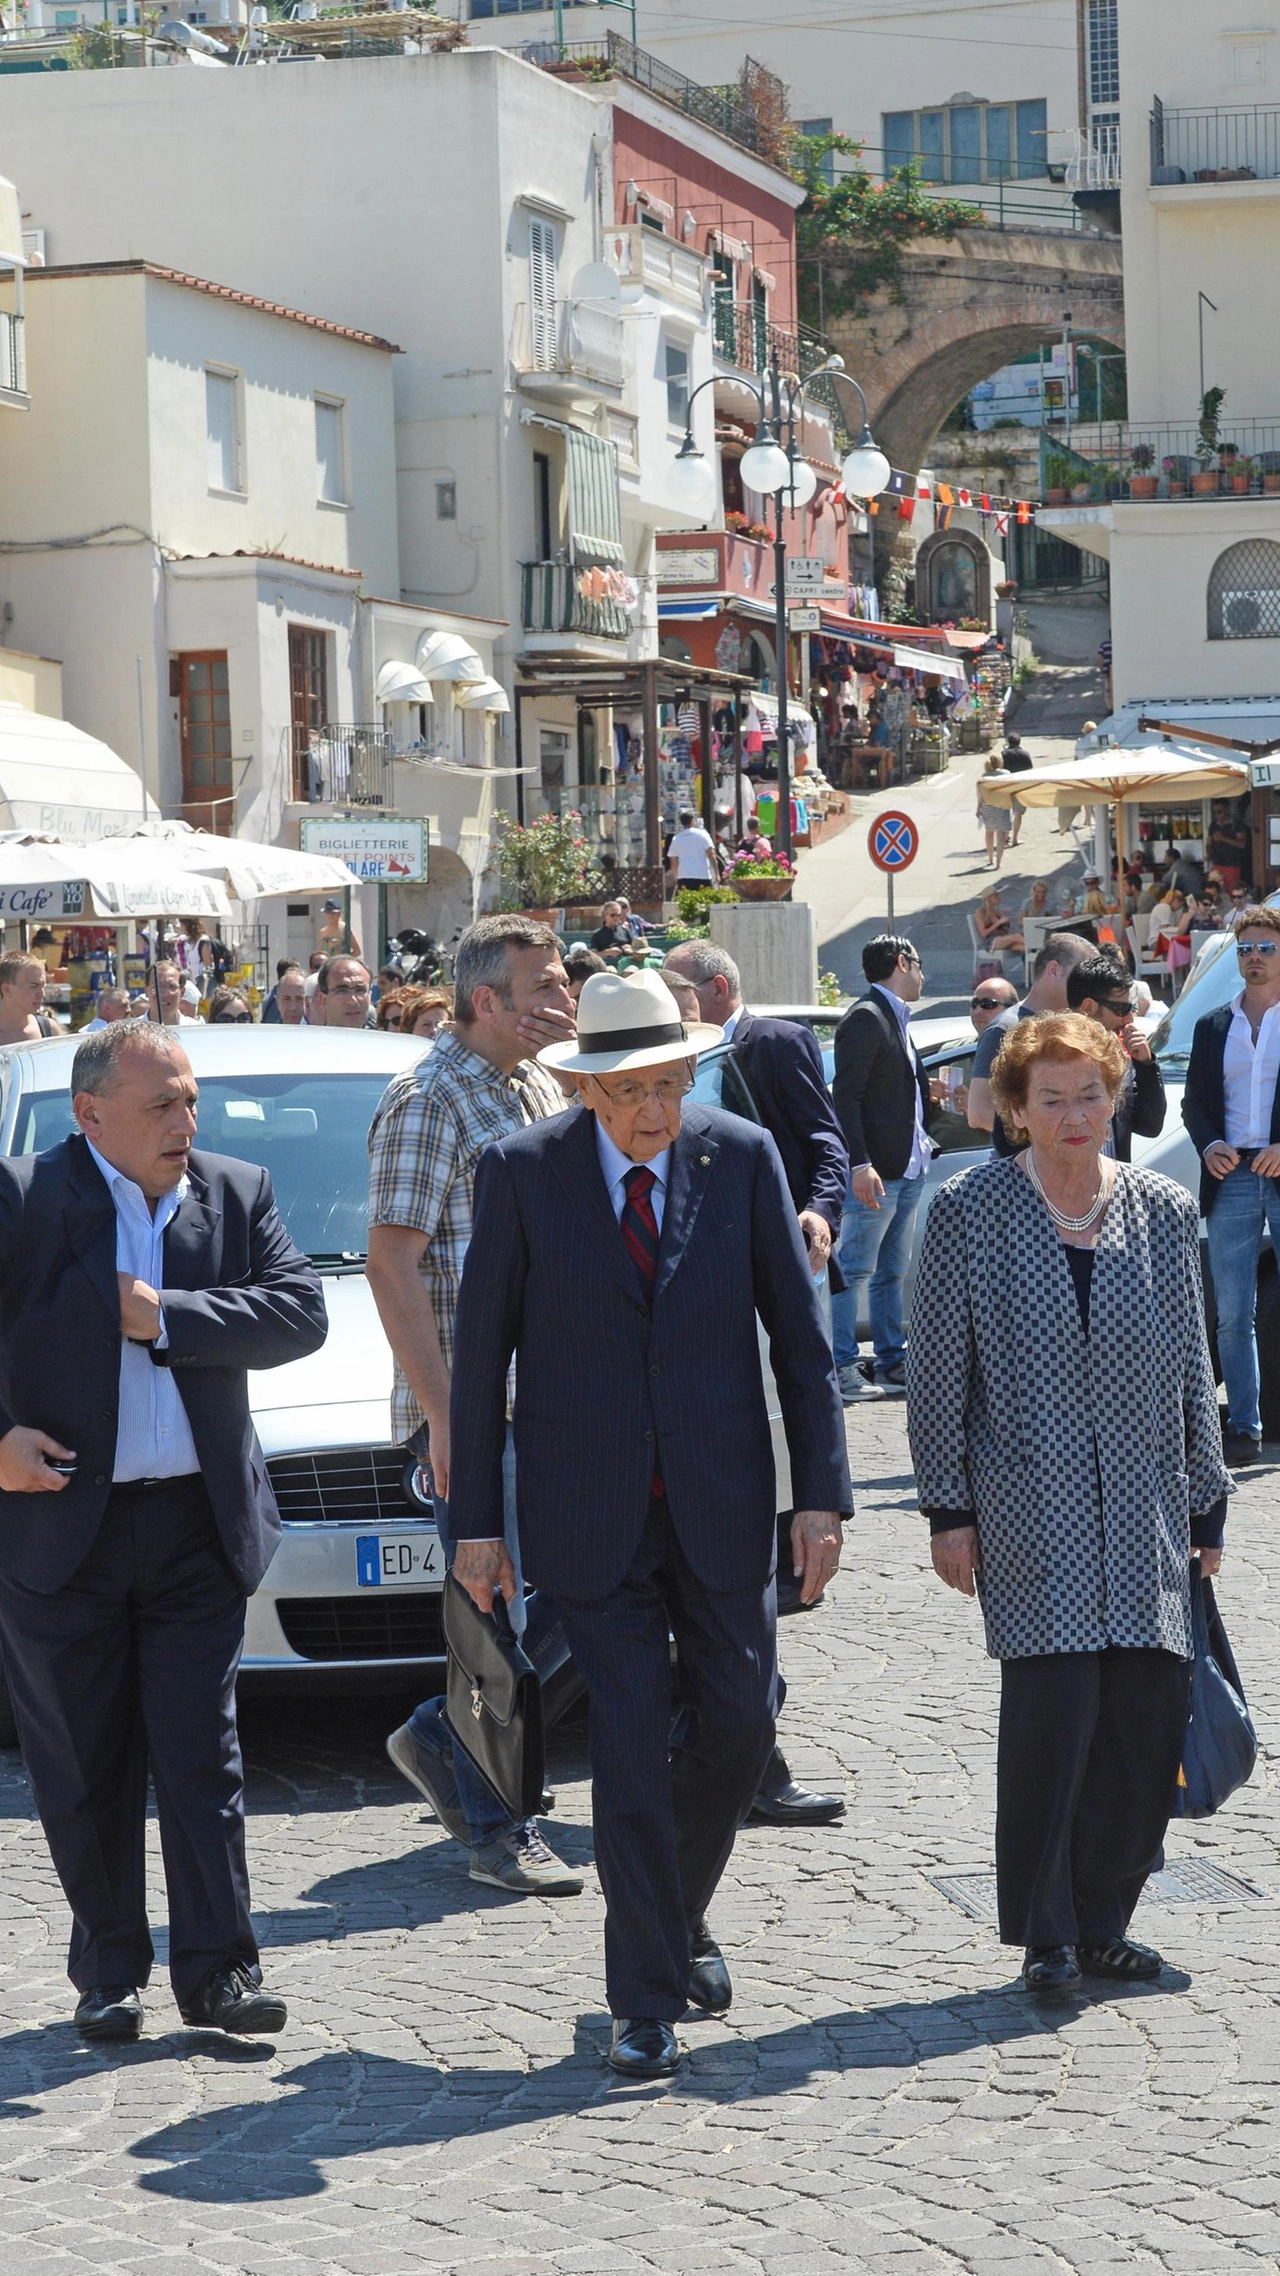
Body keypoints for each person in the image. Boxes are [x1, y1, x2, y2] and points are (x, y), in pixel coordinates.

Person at [447, 969, 851, 2078]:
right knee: (626, 1742)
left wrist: (819, 1491)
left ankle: (668, 1909)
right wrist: (474, 1523)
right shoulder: (520, 1174)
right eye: (631, 1091)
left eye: (671, 1083)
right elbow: (479, 1363)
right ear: (581, 1087)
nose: (655, 1111)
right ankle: (641, 1999)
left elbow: (800, 1341)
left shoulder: (742, 1155)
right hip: (588, 1517)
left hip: (722, 1505)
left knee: (737, 1721)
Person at [0, 1019, 327, 2040]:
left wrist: (167, 1314)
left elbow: (299, 1313)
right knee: (83, 1763)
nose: (186, 1120)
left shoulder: (235, 1191)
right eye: (161, 1104)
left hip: (195, 1522)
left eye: (190, 1098)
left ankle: (220, 1972)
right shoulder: (20, 1197)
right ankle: (108, 1971)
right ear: (90, 1113)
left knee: (202, 1755)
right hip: (61, 1529)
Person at [909, 1012, 1229, 1995]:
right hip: (1025, 1506)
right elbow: (935, 1375)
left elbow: (1191, 1362)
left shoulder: (1163, 1211)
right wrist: (944, 1508)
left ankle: (1104, 1922)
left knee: (1141, 1721)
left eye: (1088, 1092)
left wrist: (1206, 1503)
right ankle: (1045, 1933)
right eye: (1048, 1098)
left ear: (1114, 1095)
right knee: (1054, 1720)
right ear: (1012, 1109)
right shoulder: (969, 1210)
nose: (1072, 1113)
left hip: (1146, 1506)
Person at [366, 914, 583, 1895]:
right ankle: (498, 1825)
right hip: (473, 1407)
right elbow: (390, 1261)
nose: (561, 1000)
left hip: (549, 1402)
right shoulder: (426, 1098)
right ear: (483, 997)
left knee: (586, 1591)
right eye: (541, 987)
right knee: (488, 1612)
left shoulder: (535, 1083)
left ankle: (436, 1734)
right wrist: (444, 1413)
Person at [1183, 904, 1280, 1466]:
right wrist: (1209, 1144)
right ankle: (1244, 1427)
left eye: (1265, 948)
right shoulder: (1213, 1024)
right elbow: (1196, 1105)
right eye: (1245, 950)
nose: (1254, 959)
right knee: (1231, 1313)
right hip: (1232, 1176)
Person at [830, 936, 932, 1403]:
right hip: (878, 1172)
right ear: (900, 963)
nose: (922, 975)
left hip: (907, 1167)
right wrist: (859, 1163)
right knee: (853, 1269)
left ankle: (892, 1360)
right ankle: (843, 1366)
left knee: (893, 1270)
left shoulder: (893, 1015)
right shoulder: (866, 1018)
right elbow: (845, 1097)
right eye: (918, 965)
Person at [966, 932, 1095, 1151]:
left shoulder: (1072, 1025)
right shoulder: (1004, 1029)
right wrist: (1056, 1131)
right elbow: (979, 1112)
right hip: (1021, 1172)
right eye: (1080, 976)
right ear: (1053, 970)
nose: (1088, 987)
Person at [1065, 955, 1166, 1160]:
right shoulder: (1044, 1059)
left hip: (1111, 1185)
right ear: (1088, 1008)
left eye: (1132, 1008)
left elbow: (1150, 1125)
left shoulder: (1120, 1061)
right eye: (1121, 1009)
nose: (1129, 1019)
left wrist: (1145, 1064)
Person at [0, 950, 60, 1045]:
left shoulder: (49, 1030)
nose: (42, 994)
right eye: (33, 986)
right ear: (7, 990)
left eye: (42, 986)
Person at [666, 807, 719, 888]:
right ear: (692, 821)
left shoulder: (677, 838)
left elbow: (673, 861)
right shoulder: (703, 834)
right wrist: (716, 873)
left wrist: (676, 877)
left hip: (684, 876)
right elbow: (711, 854)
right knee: (704, 899)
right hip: (702, 875)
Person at [316, 956, 373, 1029]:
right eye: (342, 991)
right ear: (323, 1000)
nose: (353, 1001)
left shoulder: (383, 1039)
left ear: (370, 996)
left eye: (360, 990)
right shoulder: (308, 1040)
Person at [976, 755, 1013, 868]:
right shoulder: (1006, 774)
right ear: (1000, 762)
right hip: (1003, 805)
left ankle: (990, 858)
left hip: (988, 806)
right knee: (1001, 834)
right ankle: (998, 862)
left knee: (989, 832)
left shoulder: (984, 776)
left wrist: (978, 808)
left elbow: (980, 795)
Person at [145, 960, 199, 1030]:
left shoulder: (196, 1030)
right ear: (146, 991)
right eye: (157, 986)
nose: (164, 994)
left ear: (182, 992)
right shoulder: (131, 1033)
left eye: (172, 987)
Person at [974, 888, 1024, 958]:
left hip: (1002, 937)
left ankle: (1034, 965)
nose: (999, 897)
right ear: (989, 898)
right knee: (1016, 936)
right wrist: (998, 923)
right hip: (991, 941)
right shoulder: (980, 912)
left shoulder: (996, 910)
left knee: (1022, 947)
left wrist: (1006, 919)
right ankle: (1038, 946)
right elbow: (983, 934)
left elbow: (1005, 930)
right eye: (996, 895)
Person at [260, 959, 302, 1025]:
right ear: (277, 1002)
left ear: (308, 1002)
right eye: (286, 999)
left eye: (299, 999)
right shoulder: (270, 1033)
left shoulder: (318, 1032)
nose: (292, 1007)